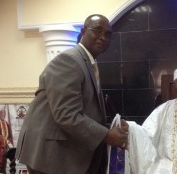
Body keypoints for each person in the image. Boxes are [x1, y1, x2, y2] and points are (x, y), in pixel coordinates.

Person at [15, 14, 128, 174]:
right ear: (83, 31)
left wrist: (107, 128)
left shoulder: (88, 62)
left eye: (108, 35)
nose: (103, 37)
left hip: (64, 152)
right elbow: (66, 114)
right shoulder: (69, 60)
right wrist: (106, 135)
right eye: (97, 31)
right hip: (51, 156)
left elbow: (84, 107)